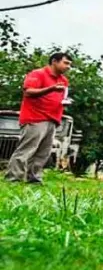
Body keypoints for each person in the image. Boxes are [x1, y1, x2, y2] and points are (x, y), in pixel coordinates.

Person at [4, 53, 72, 183]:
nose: (68, 67)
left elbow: (61, 96)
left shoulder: (63, 80)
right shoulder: (38, 74)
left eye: (69, 64)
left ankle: (34, 179)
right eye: (65, 63)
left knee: (43, 153)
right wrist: (51, 89)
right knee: (26, 149)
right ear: (54, 61)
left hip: (53, 119)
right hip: (35, 118)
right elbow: (28, 92)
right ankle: (13, 178)